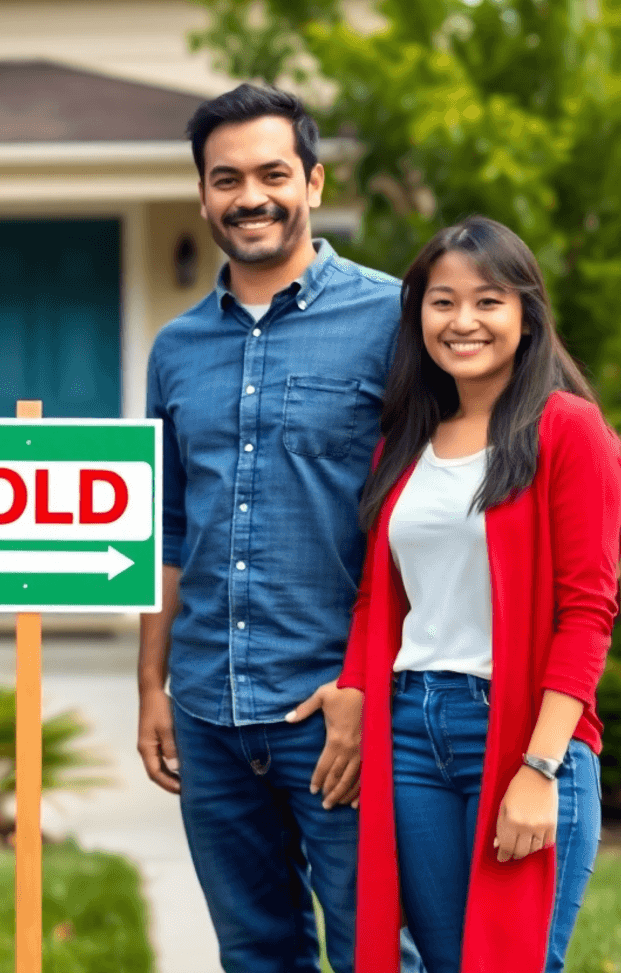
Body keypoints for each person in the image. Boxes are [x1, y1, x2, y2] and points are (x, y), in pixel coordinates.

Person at [140, 84, 417, 973]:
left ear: (315, 182)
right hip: (211, 715)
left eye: (272, 173)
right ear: (203, 195)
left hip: (338, 710)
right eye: (226, 179)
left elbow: (428, 516)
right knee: (255, 954)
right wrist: (154, 687)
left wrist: (367, 685)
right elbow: (167, 529)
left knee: (379, 951)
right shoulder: (175, 349)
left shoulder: (397, 321)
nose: (249, 196)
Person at [339, 216, 620, 973]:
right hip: (410, 736)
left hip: (522, 730)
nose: (463, 322)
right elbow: (378, 599)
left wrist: (540, 770)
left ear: (526, 314)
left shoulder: (567, 430)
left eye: (488, 300)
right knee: (438, 961)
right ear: (418, 315)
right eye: (442, 301)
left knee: (513, 961)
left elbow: (588, 612)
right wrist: (353, 696)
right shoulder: (405, 440)